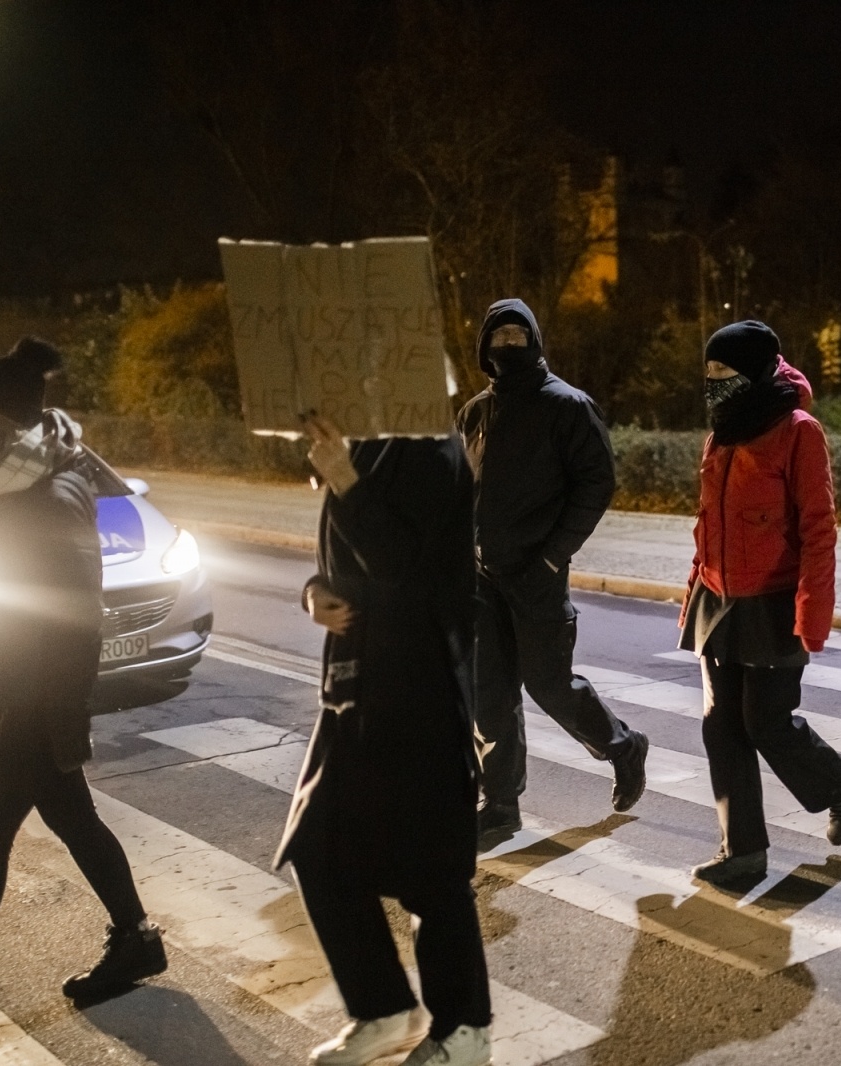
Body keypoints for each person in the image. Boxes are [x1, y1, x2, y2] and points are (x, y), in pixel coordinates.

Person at [0, 339, 165, 1041]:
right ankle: (136, 938)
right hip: (17, 683)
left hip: (42, 696)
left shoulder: (53, 493)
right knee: (72, 816)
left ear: (8, 420)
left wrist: (61, 714)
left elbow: (74, 618)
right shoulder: (5, 481)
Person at [277, 415, 491, 1066]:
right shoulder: (368, 443)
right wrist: (314, 594)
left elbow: (403, 564)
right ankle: (384, 1009)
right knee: (320, 848)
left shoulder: (431, 452)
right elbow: (344, 557)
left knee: (430, 871)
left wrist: (344, 478)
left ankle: (464, 1031)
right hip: (355, 684)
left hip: (418, 687)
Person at [678, 320, 841, 886]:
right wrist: (692, 597)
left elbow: (819, 529)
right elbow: (707, 526)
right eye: (708, 371)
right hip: (718, 598)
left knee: (765, 722)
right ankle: (742, 851)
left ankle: (840, 782)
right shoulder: (721, 432)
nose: (713, 382)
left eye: (724, 371)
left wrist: (812, 612)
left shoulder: (798, 430)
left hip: (773, 600)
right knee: (721, 726)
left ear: (755, 372)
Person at [457, 299, 649, 851]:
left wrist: (552, 555)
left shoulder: (568, 406)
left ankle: (622, 746)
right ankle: (499, 804)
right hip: (481, 577)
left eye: (518, 335)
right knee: (489, 695)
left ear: (536, 341)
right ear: (484, 347)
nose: (508, 344)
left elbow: (597, 483)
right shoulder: (475, 413)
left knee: (549, 684)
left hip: (536, 576)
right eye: (499, 336)